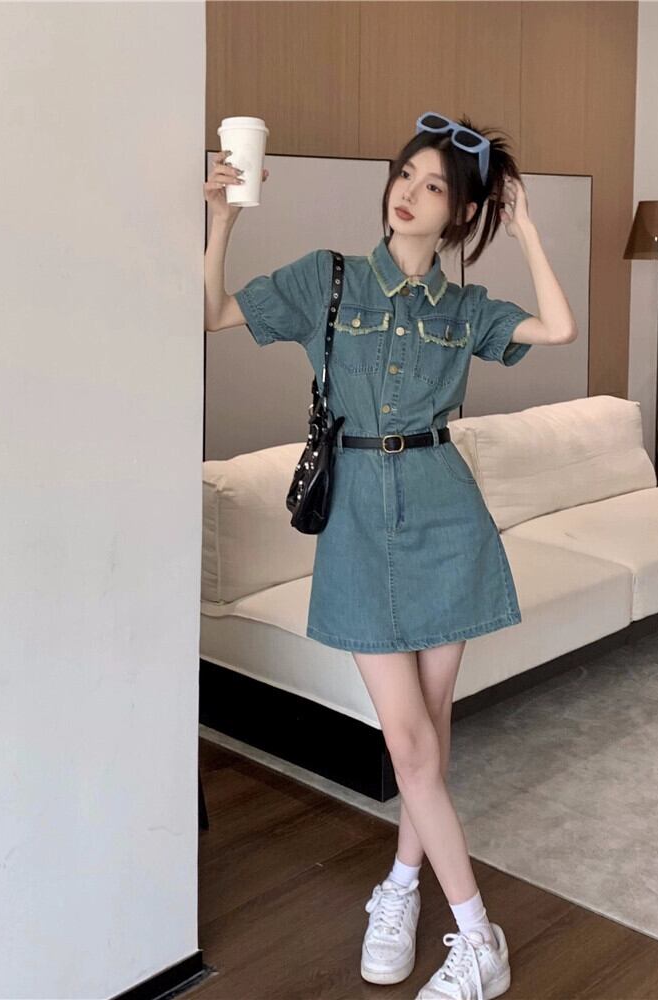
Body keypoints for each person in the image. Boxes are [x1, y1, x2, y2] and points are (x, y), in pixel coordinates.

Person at [204, 112, 577, 1000]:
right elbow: (211, 313)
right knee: (410, 742)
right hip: (359, 529)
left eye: (434, 186)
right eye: (405, 174)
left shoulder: (465, 310)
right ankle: (480, 939)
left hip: (447, 521)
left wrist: (525, 228)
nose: (409, 193)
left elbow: (558, 329)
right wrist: (224, 218)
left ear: (460, 214)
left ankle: (403, 888)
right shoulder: (327, 279)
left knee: (428, 739)